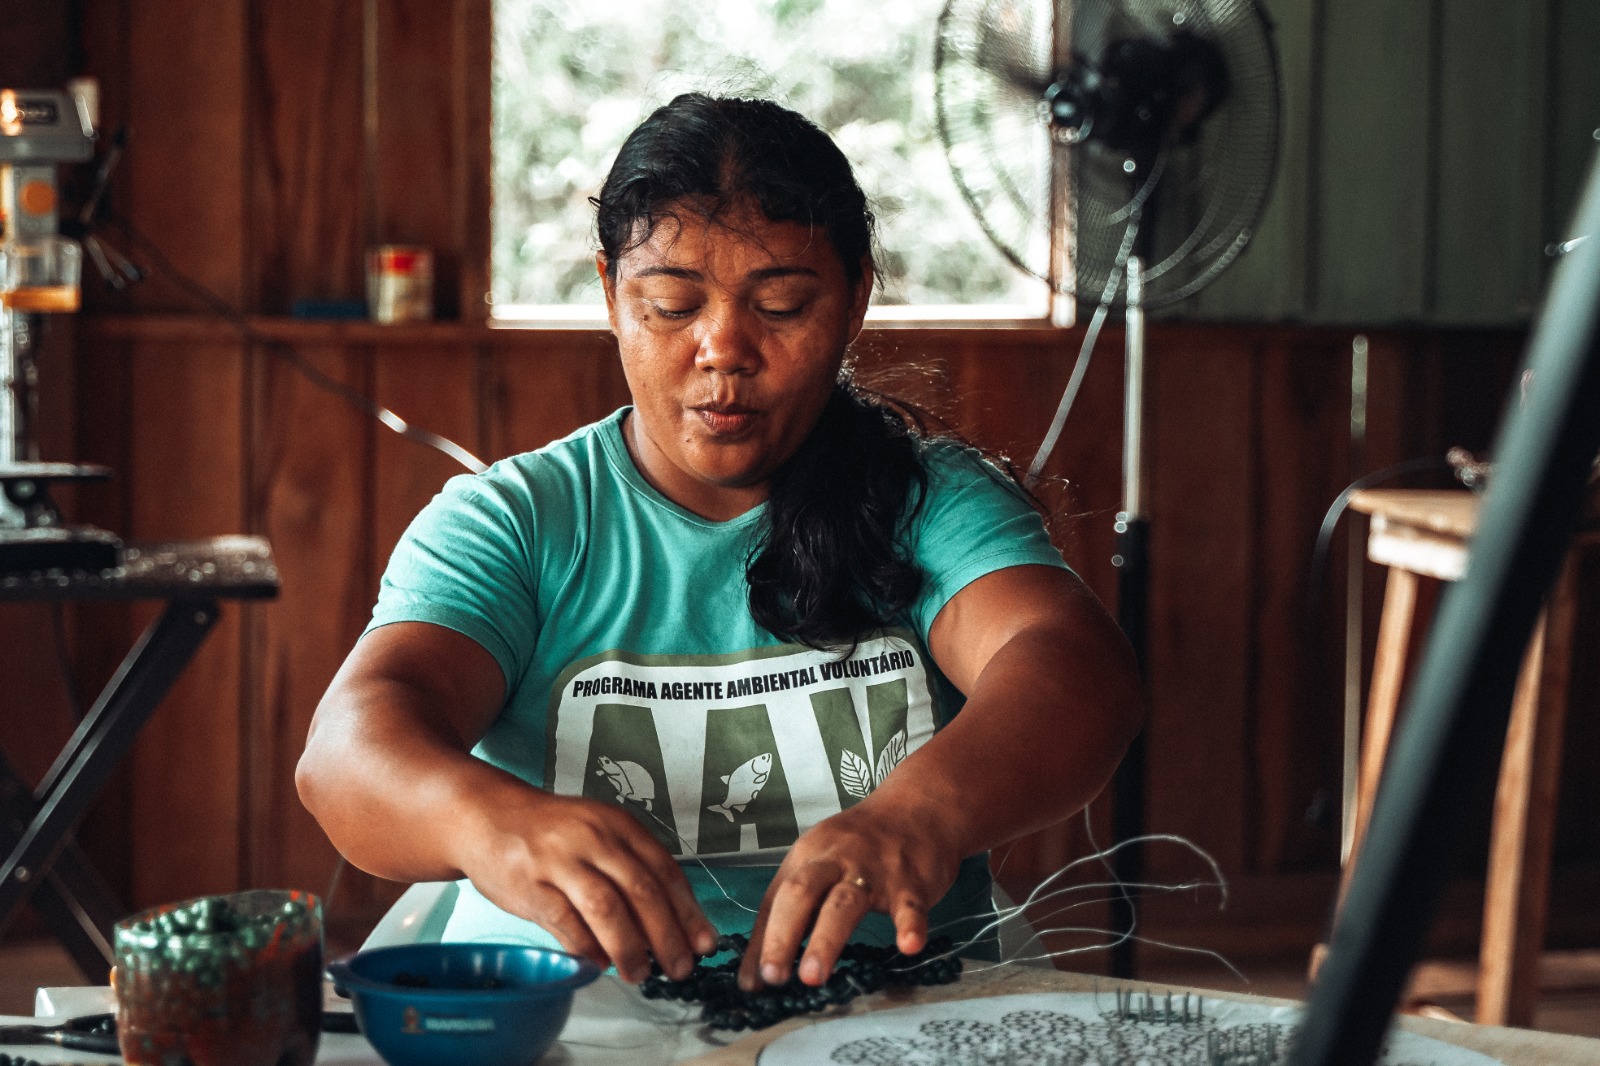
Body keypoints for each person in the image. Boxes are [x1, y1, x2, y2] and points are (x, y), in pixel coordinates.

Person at [297, 93, 1144, 994]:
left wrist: (919, 815)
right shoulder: (517, 520)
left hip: (893, 1012)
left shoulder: (928, 502)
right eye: (670, 305)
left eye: (780, 305)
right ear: (611, 296)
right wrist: (487, 821)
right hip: (570, 1020)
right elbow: (347, 752)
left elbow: (1074, 667)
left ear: (856, 298)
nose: (723, 349)